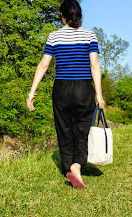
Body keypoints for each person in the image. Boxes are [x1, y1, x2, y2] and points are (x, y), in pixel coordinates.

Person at [26, 0, 104, 189]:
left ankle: (68, 166)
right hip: (83, 88)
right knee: (82, 129)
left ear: (62, 16)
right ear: (79, 15)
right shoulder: (89, 35)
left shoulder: (54, 36)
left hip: (61, 88)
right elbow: (94, 66)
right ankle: (77, 165)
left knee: (64, 129)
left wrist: (32, 92)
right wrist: (99, 94)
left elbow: (44, 65)